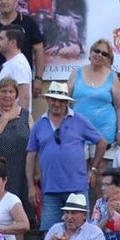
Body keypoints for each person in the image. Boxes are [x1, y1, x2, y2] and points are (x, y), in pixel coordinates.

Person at [26, 82, 105, 231]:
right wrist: (31, 186)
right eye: (53, 99)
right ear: (47, 100)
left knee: (81, 231)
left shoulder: (79, 120)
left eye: (61, 100)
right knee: (49, 232)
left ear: (67, 102)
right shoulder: (39, 124)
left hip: (77, 187)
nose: (57, 103)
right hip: (50, 189)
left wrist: (93, 169)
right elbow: (31, 155)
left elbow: (102, 142)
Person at [68, 38, 120, 153]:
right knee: (79, 165)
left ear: (108, 59)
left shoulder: (112, 77)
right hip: (78, 133)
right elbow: (65, 100)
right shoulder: (76, 73)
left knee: (100, 165)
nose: (99, 55)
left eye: (104, 54)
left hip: (105, 134)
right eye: (97, 51)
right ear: (91, 52)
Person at [0, 78, 32, 206]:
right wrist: (6, 117)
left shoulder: (26, 114)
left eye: (11, 92)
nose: (7, 95)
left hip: (21, 171)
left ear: (16, 95)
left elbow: (35, 142)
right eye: (3, 91)